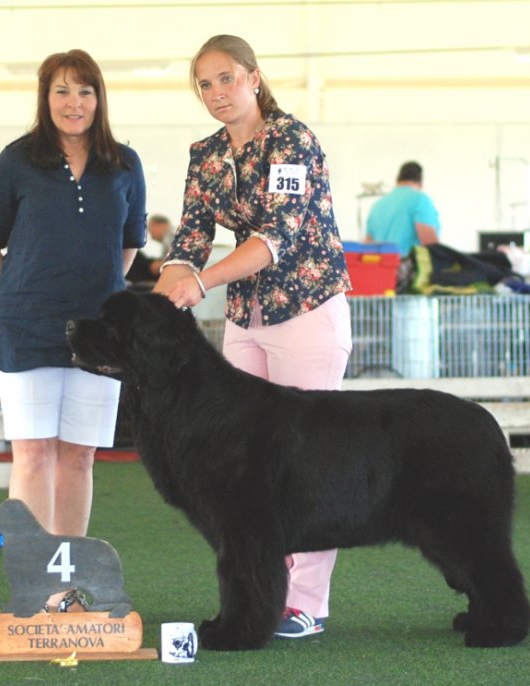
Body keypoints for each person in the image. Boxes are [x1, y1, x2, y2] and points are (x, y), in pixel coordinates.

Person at [154, 35, 353, 640]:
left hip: (306, 308)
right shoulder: (206, 153)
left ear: (254, 78)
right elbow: (190, 233)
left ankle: (307, 603)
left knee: (309, 461)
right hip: (246, 319)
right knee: (247, 467)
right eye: (205, 84)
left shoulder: (293, 140)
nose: (216, 93)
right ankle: (258, 597)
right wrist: (169, 277)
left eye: (226, 79)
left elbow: (276, 237)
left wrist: (201, 283)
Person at [0, 50, 146, 549]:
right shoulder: (16, 161)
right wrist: (15, 296)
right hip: (25, 331)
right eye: (62, 91)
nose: (74, 103)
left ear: (99, 98)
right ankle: (37, 584)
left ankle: (69, 580)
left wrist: (98, 291)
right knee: (33, 453)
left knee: (79, 456)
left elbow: (129, 243)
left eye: (85, 91)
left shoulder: (125, 164)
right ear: (45, 97)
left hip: (101, 336)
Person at [365, 161, 440, 257]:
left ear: (397, 180)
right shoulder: (420, 200)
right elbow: (430, 244)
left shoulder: (377, 205)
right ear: (421, 183)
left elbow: (367, 247)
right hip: (408, 269)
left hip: (382, 269)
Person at [125, 213, 173, 284]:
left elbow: (176, 260)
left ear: (156, 225)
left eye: (149, 227)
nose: (150, 234)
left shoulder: (170, 237)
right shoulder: (169, 238)